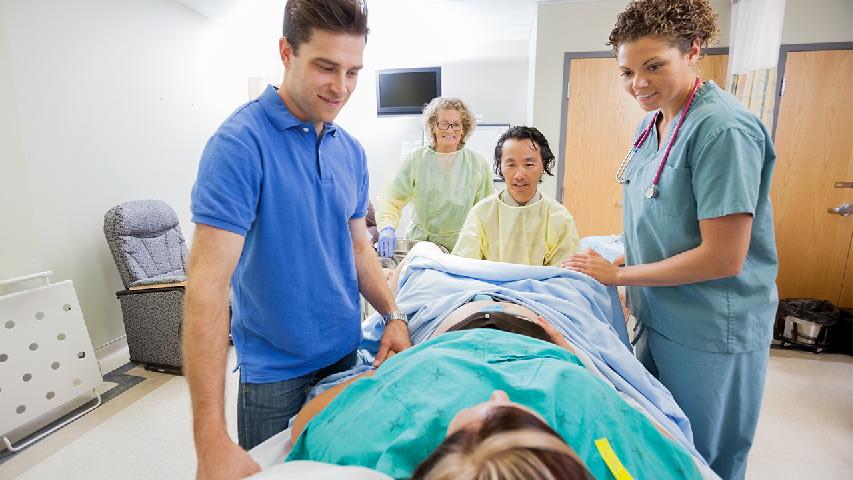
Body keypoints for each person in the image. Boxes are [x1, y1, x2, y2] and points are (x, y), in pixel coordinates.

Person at [184, 1, 410, 478]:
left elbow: (358, 248)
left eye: (353, 71)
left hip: (346, 355)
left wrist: (392, 314)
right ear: (286, 52)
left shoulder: (349, 151)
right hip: (274, 373)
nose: (341, 87)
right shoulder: (239, 145)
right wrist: (209, 439)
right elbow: (206, 288)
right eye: (326, 67)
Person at [562, 1, 778, 478]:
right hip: (657, 314)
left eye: (653, 66)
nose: (638, 83)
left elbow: (724, 257)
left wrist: (619, 274)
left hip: (710, 327)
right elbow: (661, 216)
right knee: (654, 442)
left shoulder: (723, 129)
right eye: (627, 72)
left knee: (703, 459)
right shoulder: (652, 123)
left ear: (693, 51)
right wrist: (612, 256)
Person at [286, 317, 704, 479]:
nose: (499, 393)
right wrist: (570, 354)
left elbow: (305, 424)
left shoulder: (367, 446)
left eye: (483, 422)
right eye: (512, 417)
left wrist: (388, 372)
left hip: (450, 333)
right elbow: (650, 428)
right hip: (538, 335)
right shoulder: (580, 402)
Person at [375, 97, 493, 256]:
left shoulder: (478, 164)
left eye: (456, 124)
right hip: (420, 245)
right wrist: (387, 228)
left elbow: (485, 213)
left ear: (464, 129)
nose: (450, 130)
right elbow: (391, 200)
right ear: (433, 126)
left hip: (461, 247)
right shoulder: (416, 160)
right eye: (443, 123)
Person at [453, 126, 580, 266]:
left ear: (543, 165)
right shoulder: (481, 213)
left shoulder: (560, 218)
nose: (519, 175)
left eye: (529, 164)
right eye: (511, 164)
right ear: (500, 166)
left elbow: (566, 277)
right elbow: (463, 267)